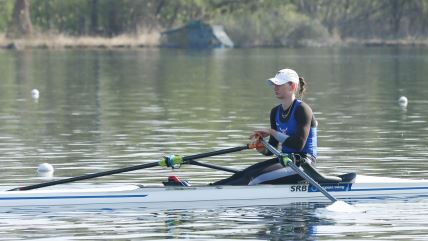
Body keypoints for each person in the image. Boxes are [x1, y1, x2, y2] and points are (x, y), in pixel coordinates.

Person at [213, 68, 317, 185]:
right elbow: (272, 149)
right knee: (243, 174)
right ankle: (210, 188)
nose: (275, 88)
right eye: (274, 84)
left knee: (253, 179)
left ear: (292, 87)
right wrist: (261, 147)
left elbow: (298, 144)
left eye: (279, 84)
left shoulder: (303, 109)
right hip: (285, 160)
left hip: (304, 165)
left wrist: (272, 132)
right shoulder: (275, 112)